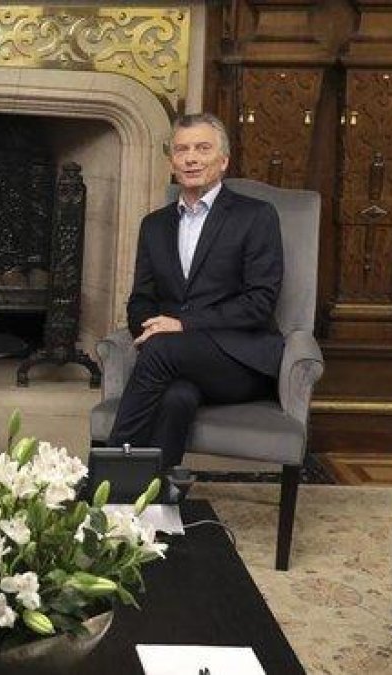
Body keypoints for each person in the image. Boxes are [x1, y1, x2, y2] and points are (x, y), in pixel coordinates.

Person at [107, 113, 283, 468]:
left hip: (240, 359)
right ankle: (156, 503)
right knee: (177, 397)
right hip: (175, 357)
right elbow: (141, 298)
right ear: (171, 161)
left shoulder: (256, 216)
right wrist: (151, 326)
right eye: (181, 149)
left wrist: (182, 325)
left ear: (224, 160)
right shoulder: (154, 225)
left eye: (202, 149)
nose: (191, 158)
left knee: (159, 350)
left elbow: (260, 302)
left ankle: (103, 478)